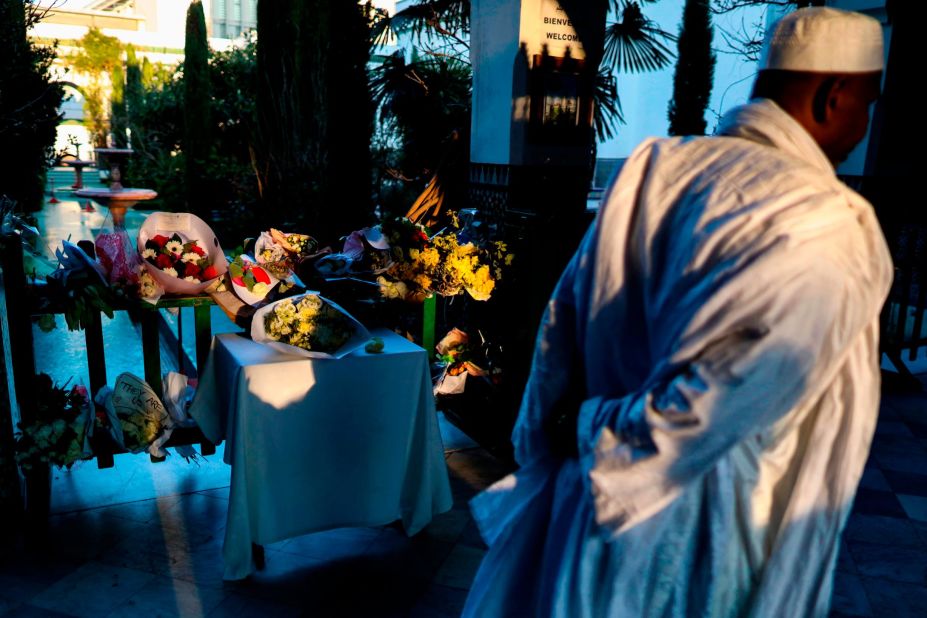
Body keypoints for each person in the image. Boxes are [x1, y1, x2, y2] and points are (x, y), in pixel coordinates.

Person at [462, 7, 892, 617]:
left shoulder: (655, 170)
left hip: (586, 514)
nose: (863, 126)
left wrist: (550, 439)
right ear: (833, 95)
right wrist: (588, 433)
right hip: (690, 543)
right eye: (866, 105)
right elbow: (711, 405)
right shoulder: (825, 222)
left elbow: (562, 331)